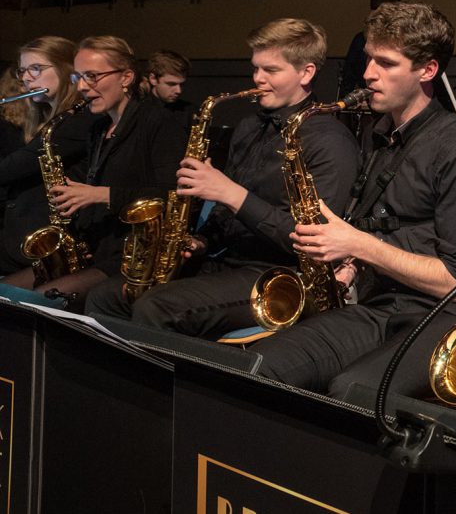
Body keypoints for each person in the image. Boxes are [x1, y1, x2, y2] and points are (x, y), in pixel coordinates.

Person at [253, 2, 456, 400]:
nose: (367, 74)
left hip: (441, 316)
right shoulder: (381, 133)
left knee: (352, 391)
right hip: (378, 305)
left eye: (386, 63)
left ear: (428, 70)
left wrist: (356, 244)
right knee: (260, 365)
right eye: (369, 59)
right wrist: (346, 264)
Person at [83, 19, 360, 331]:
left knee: (156, 308)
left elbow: (315, 242)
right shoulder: (248, 127)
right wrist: (200, 239)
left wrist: (229, 192)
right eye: (255, 68)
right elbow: (225, 217)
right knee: (106, 296)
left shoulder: (330, 140)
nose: (258, 79)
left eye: (271, 71)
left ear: (306, 72)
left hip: (278, 275)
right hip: (225, 261)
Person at [2, 36, 187, 303]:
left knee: (39, 300)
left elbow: (175, 194)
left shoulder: (159, 123)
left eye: (93, 76)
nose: (84, 87)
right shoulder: (100, 128)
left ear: (126, 77)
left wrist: (100, 195)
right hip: (96, 248)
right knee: (5, 294)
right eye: (78, 77)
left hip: (134, 255)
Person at [0, 37, 95, 276]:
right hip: (22, 235)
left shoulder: (79, 121)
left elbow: (12, 168)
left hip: (47, 243)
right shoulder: (47, 119)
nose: (26, 78)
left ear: (66, 70)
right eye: (23, 70)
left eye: (36, 69)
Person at [339, 0, 402, 97]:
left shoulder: (359, 39)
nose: (368, 74)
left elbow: (348, 78)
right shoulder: (360, 40)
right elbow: (349, 77)